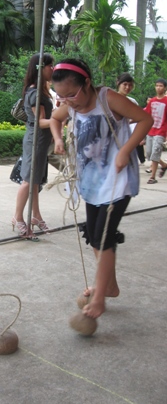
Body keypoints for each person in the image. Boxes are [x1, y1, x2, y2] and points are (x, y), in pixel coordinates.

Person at [50, 58, 153, 319]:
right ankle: (110, 286)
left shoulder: (108, 98)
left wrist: (126, 151)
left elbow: (145, 119)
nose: (68, 101)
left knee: (103, 238)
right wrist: (58, 138)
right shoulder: (70, 105)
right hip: (92, 182)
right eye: (61, 97)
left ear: (87, 83)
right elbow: (54, 118)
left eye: (72, 94)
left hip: (118, 180)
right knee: (95, 237)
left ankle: (99, 299)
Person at [12, 53, 54, 237]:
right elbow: (40, 122)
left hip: (41, 141)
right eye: (50, 66)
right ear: (40, 68)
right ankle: (17, 217)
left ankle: (35, 215)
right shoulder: (35, 93)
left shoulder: (42, 91)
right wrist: (59, 119)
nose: (53, 69)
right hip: (35, 140)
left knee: (36, 180)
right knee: (29, 181)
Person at [116, 72, 146, 165]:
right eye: (124, 84)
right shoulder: (110, 100)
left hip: (128, 138)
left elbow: (140, 119)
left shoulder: (132, 102)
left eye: (130, 85)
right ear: (118, 83)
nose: (127, 87)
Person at [143, 78, 167, 183]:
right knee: (149, 153)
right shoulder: (152, 101)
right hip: (151, 130)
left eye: (161, 86)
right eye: (157, 85)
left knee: (156, 151)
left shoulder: (166, 101)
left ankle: (152, 177)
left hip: (161, 130)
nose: (158, 88)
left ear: (165, 88)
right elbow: (147, 116)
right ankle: (164, 165)